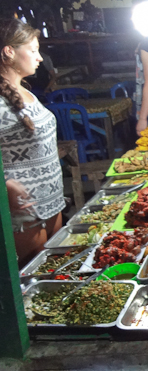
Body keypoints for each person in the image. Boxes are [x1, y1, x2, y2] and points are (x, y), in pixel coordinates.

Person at [0, 18, 65, 264]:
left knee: (60, 273)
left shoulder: (25, 91)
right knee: (35, 280)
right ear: (9, 52)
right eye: (33, 50)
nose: (39, 58)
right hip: (25, 213)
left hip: (52, 201)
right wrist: (7, 186)